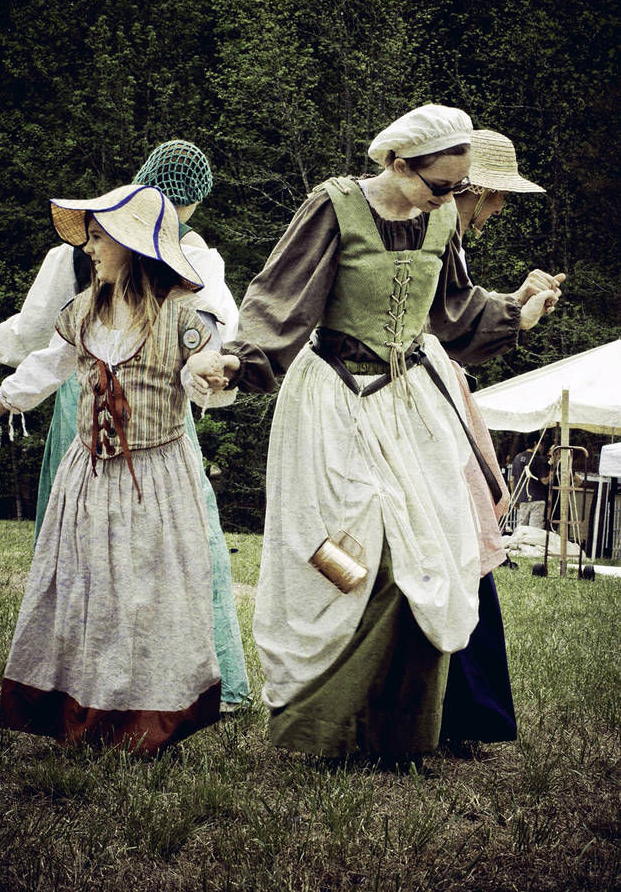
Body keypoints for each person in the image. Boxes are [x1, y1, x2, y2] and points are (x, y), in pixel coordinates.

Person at [191, 104, 562, 768]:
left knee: (428, 559)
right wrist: (240, 361)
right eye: (436, 184)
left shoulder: (440, 219)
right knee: (348, 562)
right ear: (397, 162)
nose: (446, 200)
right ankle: (319, 730)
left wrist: (517, 314)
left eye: (454, 188)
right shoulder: (335, 206)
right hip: (332, 401)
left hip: (406, 406)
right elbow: (280, 300)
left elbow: (453, 313)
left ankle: (397, 737)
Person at [0, 184, 233, 753]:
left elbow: (203, 374)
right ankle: (82, 712)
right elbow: (46, 367)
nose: (90, 248)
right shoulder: (83, 313)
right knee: (90, 592)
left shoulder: (183, 317)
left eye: (100, 237)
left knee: (148, 596)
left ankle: (146, 719)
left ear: (134, 246)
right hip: (89, 478)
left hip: (156, 479)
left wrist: (206, 374)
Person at [439, 129, 558, 749]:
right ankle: (458, 708)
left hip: (440, 395)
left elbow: (457, 317)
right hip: (424, 402)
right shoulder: (434, 234)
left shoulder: (448, 240)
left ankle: (469, 708)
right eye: (497, 198)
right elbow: (451, 327)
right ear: (475, 189)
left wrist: (517, 303)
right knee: (454, 542)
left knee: (462, 541)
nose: (500, 211)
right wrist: (520, 311)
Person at [511, 433, 550, 528]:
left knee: (521, 529)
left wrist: (514, 496)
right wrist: (553, 469)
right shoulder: (537, 459)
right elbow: (545, 481)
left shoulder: (517, 458)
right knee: (534, 531)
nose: (542, 447)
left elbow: (512, 480)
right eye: (541, 444)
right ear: (535, 443)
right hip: (537, 498)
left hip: (522, 499)